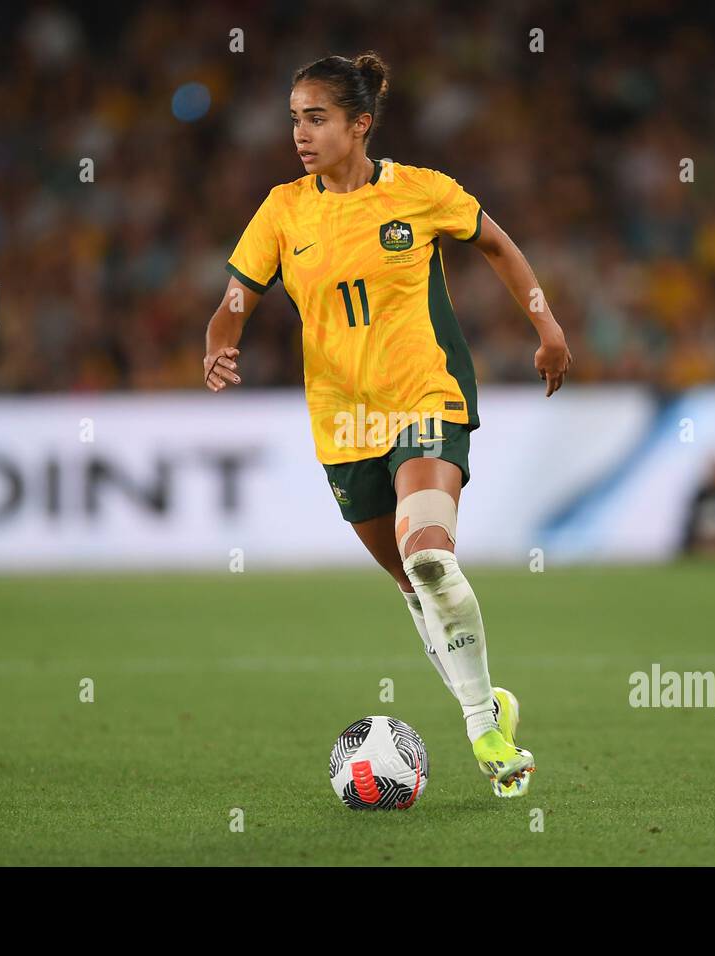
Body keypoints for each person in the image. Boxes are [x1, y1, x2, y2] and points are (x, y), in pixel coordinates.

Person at [203, 51, 572, 798]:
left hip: (426, 398)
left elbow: (497, 244)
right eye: (295, 119)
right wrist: (220, 341)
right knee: (411, 582)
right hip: (341, 424)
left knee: (430, 555)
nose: (301, 134)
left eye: (317, 118)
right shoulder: (283, 209)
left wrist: (548, 325)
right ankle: (490, 701)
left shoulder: (423, 193)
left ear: (359, 124)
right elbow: (237, 295)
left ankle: (482, 729)